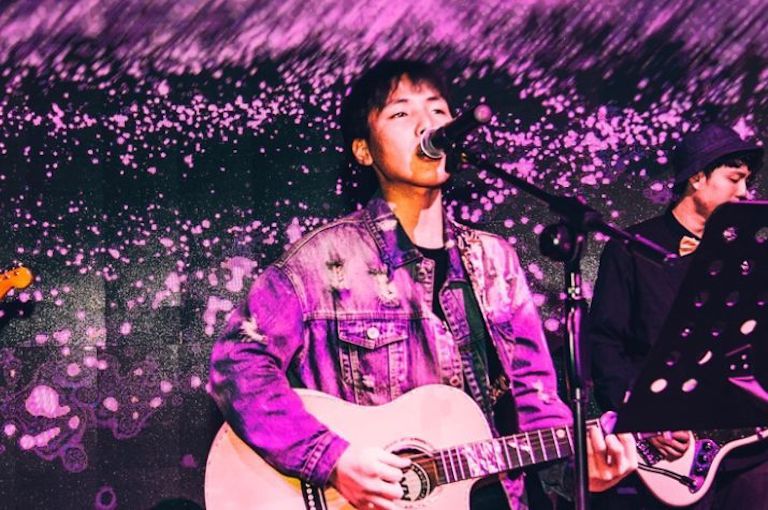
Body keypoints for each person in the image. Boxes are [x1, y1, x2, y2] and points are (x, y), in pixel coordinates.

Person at [209, 59, 636, 510]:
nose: (426, 124)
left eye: (437, 110)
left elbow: (536, 400)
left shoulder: (495, 260)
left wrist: (578, 467)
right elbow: (237, 363)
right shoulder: (322, 260)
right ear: (363, 151)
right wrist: (332, 459)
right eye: (401, 112)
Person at [588, 123, 768, 509]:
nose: (744, 192)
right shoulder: (630, 249)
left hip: (747, 445)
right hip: (672, 450)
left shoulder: (746, 254)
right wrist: (640, 417)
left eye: (747, 181)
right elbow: (604, 345)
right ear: (697, 178)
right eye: (734, 179)